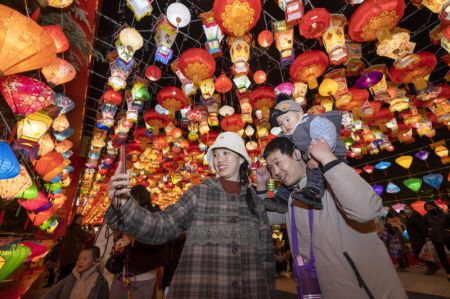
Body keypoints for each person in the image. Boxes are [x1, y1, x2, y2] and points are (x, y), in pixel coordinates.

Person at [105, 132, 275, 298]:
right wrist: (124, 206)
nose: (219, 159)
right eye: (215, 154)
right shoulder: (199, 194)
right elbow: (162, 225)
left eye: (226, 153)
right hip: (201, 288)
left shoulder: (255, 202)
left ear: (241, 159)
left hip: (252, 289)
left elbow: (266, 257)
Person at [258, 137, 407, 298]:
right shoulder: (293, 197)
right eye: (271, 168)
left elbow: (367, 211)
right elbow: (265, 220)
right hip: (322, 287)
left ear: (296, 154)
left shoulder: (330, 182)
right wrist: (261, 185)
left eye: (278, 163)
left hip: (365, 289)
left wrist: (328, 159)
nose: (275, 172)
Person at [269, 94, 347, 209]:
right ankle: (282, 200)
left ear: (299, 114)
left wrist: (318, 157)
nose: (285, 125)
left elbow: (325, 133)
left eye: (287, 119)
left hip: (330, 157)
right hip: (310, 160)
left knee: (314, 171)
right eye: (281, 124)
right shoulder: (288, 134)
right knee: (289, 176)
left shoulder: (311, 121)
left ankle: (313, 193)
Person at [109, 185, 168, 299]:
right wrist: (118, 241)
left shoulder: (154, 215)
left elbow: (158, 242)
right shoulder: (129, 214)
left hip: (143, 271)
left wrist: (132, 240)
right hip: (124, 270)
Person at [41, 246, 109, 299]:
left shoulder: (101, 283)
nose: (80, 262)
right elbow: (53, 293)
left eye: (85, 259)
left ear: (95, 261)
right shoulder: (70, 278)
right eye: (79, 259)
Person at [406, 206, 438, 275]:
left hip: (419, 238)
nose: (406, 210)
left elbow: (421, 227)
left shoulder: (416, 217)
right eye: (405, 209)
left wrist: (425, 236)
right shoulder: (409, 217)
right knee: (420, 253)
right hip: (414, 238)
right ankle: (431, 266)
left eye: (407, 209)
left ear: (412, 209)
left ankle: (432, 266)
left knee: (423, 253)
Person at [58, 214, 91, 281]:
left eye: (82, 219)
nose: (81, 221)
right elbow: (87, 236)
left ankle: (59, 289)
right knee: (70, 276)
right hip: (73, 256)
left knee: (63, 276)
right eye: (80, 219)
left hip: (65, 257)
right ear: (76, 220)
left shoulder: (69, 228)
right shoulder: (76, 229)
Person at [422, 201, 450, 281]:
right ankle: (448, 272)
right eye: (427, 208)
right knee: (442, 256)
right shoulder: (426, 217)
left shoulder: (444, 214)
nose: (429, 208)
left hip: (447, 236)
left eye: (430, 207)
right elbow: (423, 227)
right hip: (435, 238)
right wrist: (429, 232)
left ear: (435, 206)